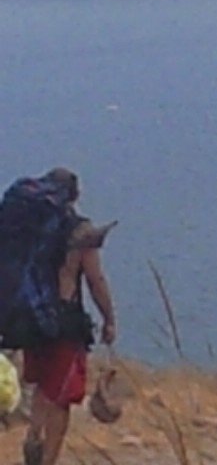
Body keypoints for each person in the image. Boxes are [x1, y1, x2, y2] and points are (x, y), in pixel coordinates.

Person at [21, 168, 117, 465]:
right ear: (75, 195)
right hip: (65, 321)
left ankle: (33, 435)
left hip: (31, 319)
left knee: (42, 384)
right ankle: (48, 459)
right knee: (61, 396)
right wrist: (109, 318)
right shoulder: (80, 232)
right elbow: (94, 280)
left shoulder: (30, 227)